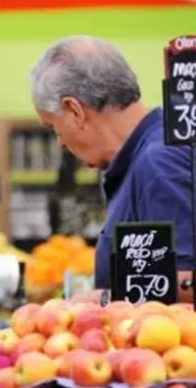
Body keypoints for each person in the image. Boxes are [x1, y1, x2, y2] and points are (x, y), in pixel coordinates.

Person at [30, 36, 194, 302]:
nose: (59, 142)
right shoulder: (140, 159)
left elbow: (186, 283)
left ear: (75, 110)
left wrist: (101, 300)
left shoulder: (159, 161)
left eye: (53, 126)